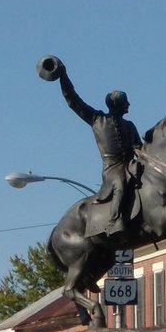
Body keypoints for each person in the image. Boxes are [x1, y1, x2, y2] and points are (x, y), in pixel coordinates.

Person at [57, 63, 142, 237]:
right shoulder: (97, 119)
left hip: (130, 164)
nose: (130, 104)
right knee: (120, 182)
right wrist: (62, 75)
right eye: (127, 102)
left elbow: (138, 147)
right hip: (112, 169)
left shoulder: (130, 126)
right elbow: (73, 100)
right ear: (118, 104)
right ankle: (114, 220)